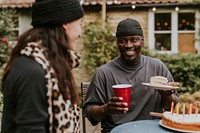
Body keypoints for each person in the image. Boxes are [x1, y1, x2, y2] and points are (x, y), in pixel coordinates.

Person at [83, 18, 179, 133]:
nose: (128, 45)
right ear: (117, 42)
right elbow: (90, 114)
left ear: (142, 40)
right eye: (123, 40)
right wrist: (107, 109)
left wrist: (166, 94)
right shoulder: (104, 73)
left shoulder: (157, 67)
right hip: (115, 130)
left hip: (152, 130)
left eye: (134, 40)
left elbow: (171, 107)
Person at [1, 0, 84, 132]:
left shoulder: (53, 65)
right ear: (65, 24)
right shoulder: (31, 71)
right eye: (80, 23)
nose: (80, 33)